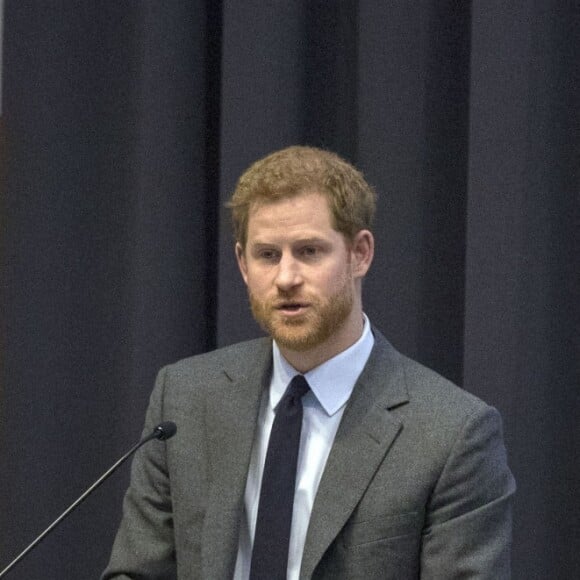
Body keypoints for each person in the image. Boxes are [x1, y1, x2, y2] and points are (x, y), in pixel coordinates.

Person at [102, 146, 515, 579]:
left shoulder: (451, 433)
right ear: (242, 263)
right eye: (267, 255)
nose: (286, 278)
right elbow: (137, 571)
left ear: (360, 253)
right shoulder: (185, 399)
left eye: (309, 251)